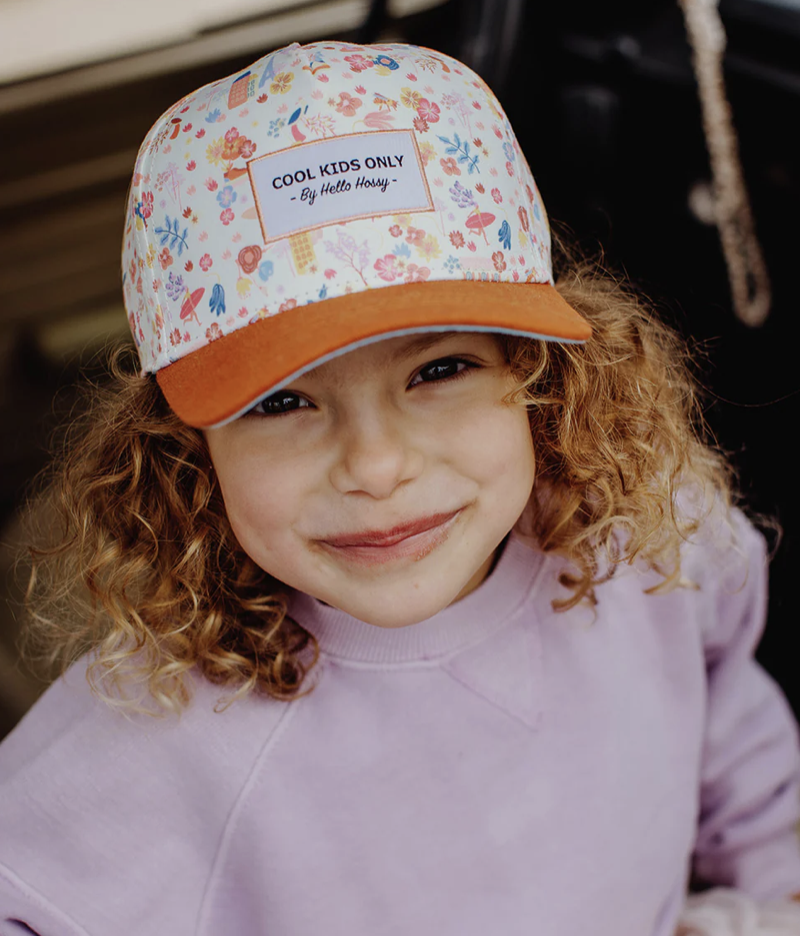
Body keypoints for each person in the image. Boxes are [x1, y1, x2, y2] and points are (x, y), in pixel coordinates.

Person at [1, 39, 799, 936]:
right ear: (185, 452)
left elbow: (728, 716)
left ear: (544, 376)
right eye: (282, 401)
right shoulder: (157, 729)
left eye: (440, 368)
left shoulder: (651, 540)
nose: (377, 467)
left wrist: (773, 893)